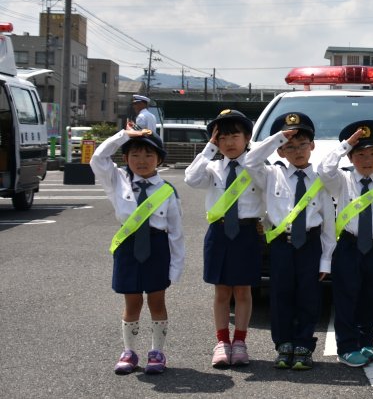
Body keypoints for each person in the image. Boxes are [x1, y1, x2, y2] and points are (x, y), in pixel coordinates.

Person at [91, 123, 184, 375]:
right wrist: (123, 136)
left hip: (157, 247)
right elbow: (98, 158)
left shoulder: (166, 191)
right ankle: (129, 351)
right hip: (128, 246)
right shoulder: (117, 181)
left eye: (149, 155)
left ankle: (157, 351)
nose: (142, 160)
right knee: (131, 301)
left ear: (159, 159)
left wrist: (176, 267)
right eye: (135, 154)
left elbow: (176, 233)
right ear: (125, 158)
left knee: (157, 300)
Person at [244, 112, 335, 370]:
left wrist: (326, 259)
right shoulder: (271, 174)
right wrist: (277, 138)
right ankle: (283, 344)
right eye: (290, 147)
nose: (297, 151)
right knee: (281, 294)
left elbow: (329, 223)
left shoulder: (320, 179)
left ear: (313, 146)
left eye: (302, 144)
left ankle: (304, 344)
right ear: (281, 151)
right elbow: (250, 160)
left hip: (311, 243)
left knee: (309, 295)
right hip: (282, 243)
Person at [317, 119, 373, 368]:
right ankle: (346, 347)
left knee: (370, 297)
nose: (367, 159)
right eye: (361, 154)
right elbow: (325, 169)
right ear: (351, 158)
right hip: (348, 247)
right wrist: (346, 144)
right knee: (346, 297)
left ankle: (367, 343)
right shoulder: (342, 182)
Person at [184, 109, 264, 368]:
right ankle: (221, 342)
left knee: (243, 290)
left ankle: (239, 341)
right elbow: (191, 179)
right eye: (222, 137)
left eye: (235, 136)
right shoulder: (212, 167)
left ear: (247, 138)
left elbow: (274, 194)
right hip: (218, 233)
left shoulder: (256, 167)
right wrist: (208, 148)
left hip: (247, 232)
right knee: (221, 291)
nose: (229, 142)